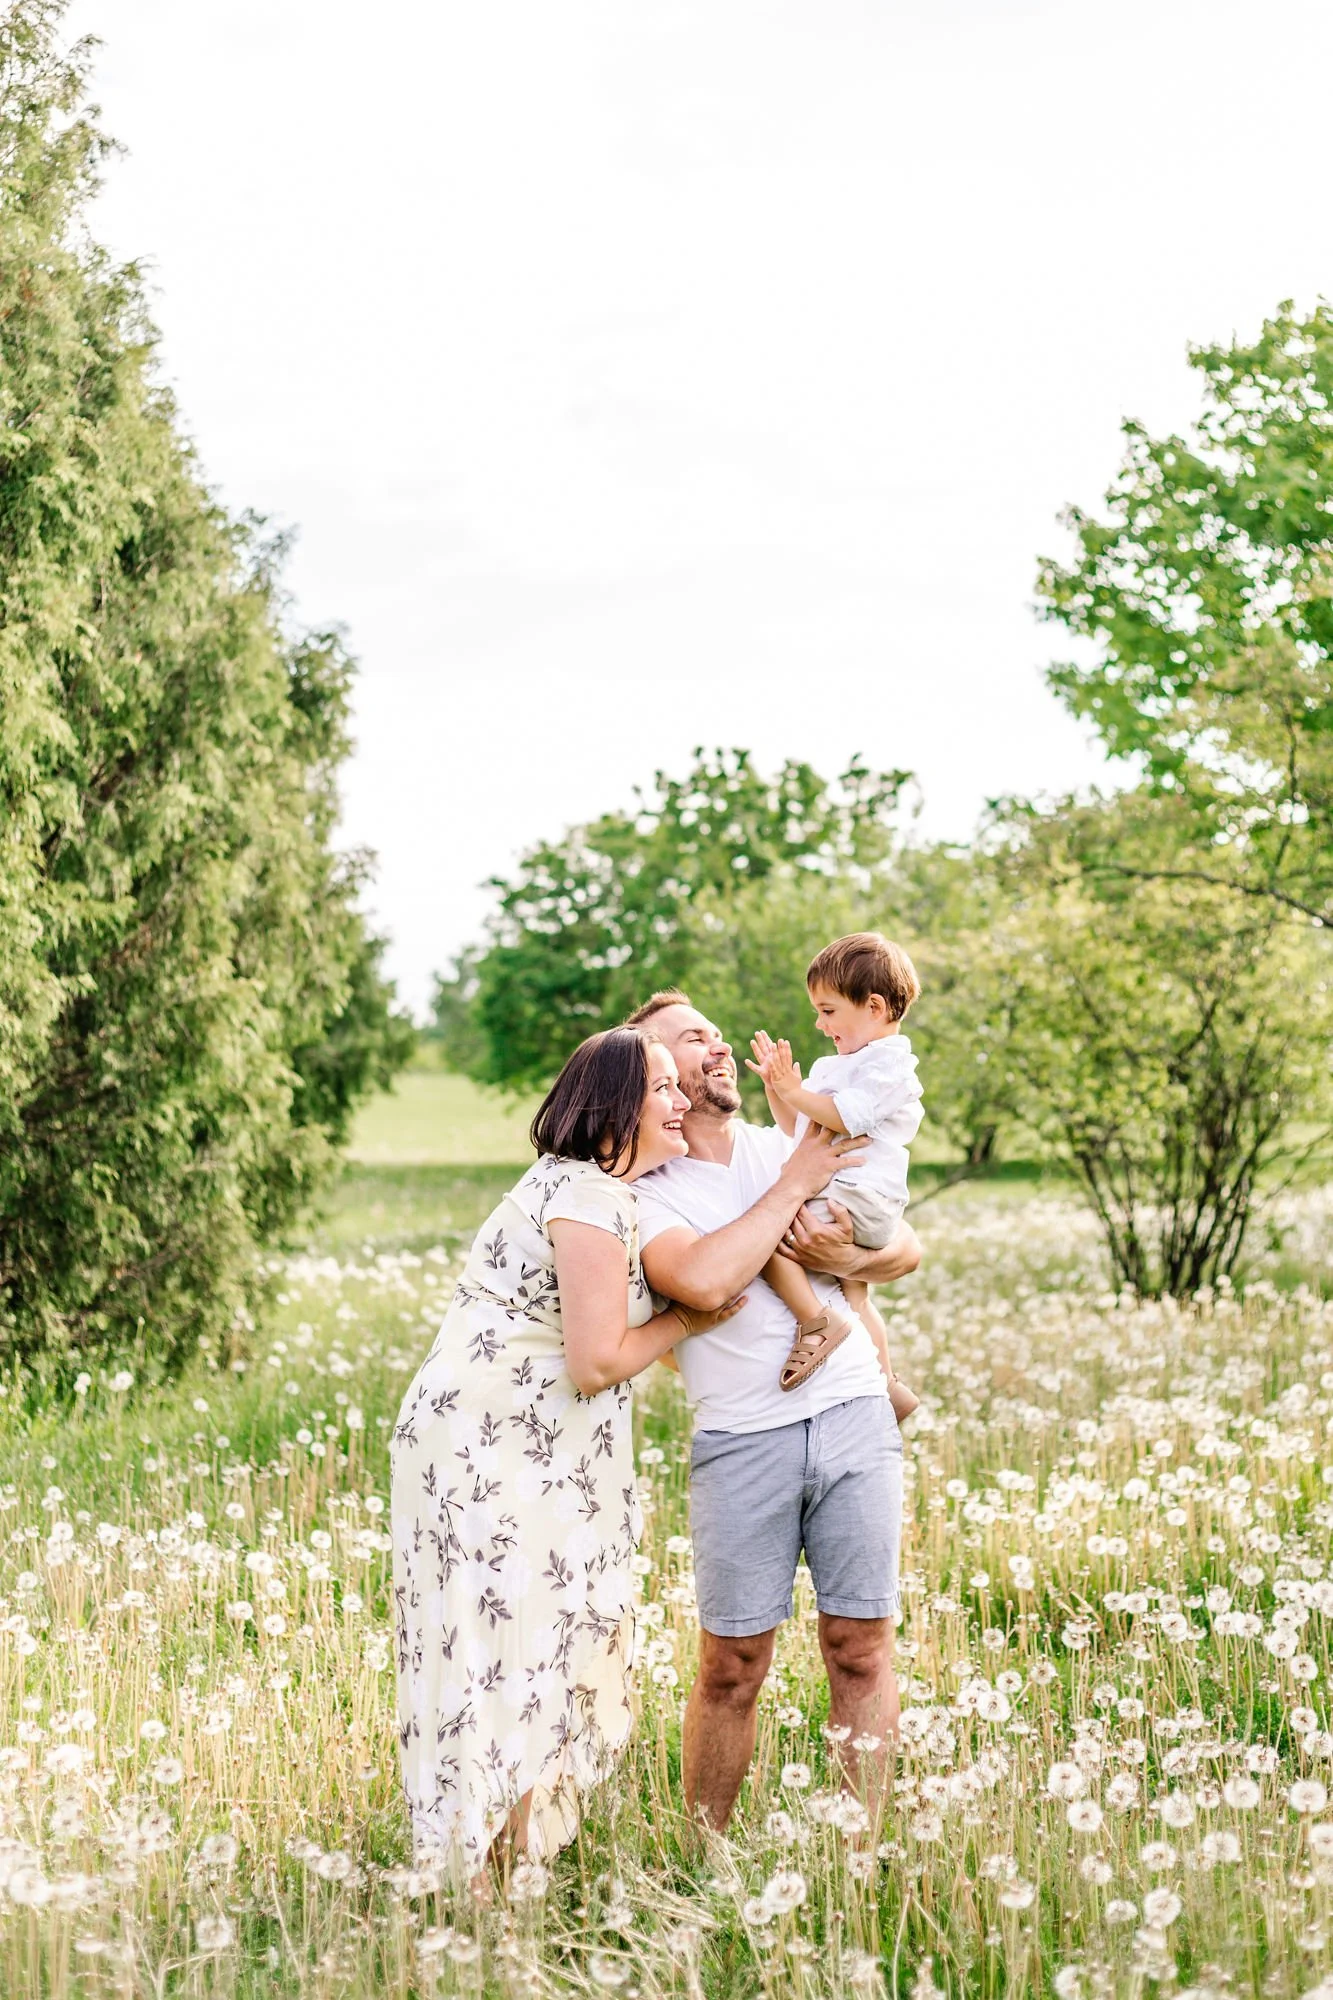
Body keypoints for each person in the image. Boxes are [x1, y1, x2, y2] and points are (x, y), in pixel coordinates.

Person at [390, 1027, 742, 1875]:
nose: (679, 1101)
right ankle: (485, 1864)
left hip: (517, 1437)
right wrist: (686, 1321)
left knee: (527, 1634)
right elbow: (593, 1363)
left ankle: (506, 1856)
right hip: (492, 1441)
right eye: (660, 1088)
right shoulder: (586, 1198)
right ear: (616, 1107)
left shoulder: (595, 1192)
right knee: (512, 1636)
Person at [626, 991, 921, 1831]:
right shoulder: (644, 1192)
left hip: (853, 1411)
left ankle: (856, 1854)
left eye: (716, 1036)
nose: (716, 1049)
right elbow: (706, 1280)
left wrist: (850, 1250)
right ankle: (704, 1859)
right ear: (653, 1074)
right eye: (691, 1041)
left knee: (859, 1648)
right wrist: (794, 1190)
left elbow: (904, 1242)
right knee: (732, 1663)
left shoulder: (783, 1138)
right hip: (740, 1439)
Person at [746, 931, 923, 1421]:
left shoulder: (891, 1066)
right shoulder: (839, 1063)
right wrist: (779, 1090)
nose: (820, 1024)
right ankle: (888, 1385)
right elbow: (800, 1130)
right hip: (844, 1189)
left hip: (862, 1196)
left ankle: (816, 1322)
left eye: (828, 1011)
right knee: (856, 1293)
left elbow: (847, 1117)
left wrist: (795, 1091)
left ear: (873, 1007)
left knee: (768, 1233)